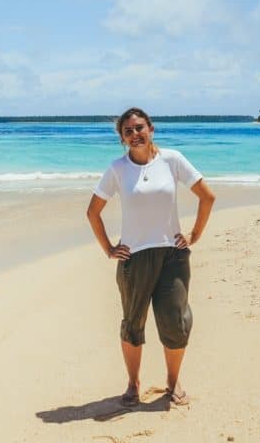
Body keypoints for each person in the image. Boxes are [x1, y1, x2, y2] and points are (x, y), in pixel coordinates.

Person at [86, 107, 216, 407]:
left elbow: (207, 196)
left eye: (139, 128)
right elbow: (93, 212)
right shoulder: (117, 169)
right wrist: (108, 248)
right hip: (134, 258)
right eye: (128, 131)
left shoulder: (172, 160)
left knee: (175, 321)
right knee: (133, 323)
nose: (135, 134)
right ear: (122, 138)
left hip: (173, 255)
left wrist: (194, 234)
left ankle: (173, 381)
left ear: (151, 128)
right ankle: (133, 384)